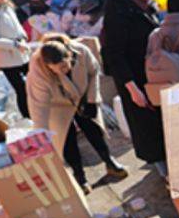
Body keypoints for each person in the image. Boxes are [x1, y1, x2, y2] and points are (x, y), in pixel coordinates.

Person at [27, 34, 128, 192]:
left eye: (64, 66)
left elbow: (94, 72)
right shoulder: (38, 69)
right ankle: (80, 177)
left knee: (93, 129)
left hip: (82, 95)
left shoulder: (81, 51)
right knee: (67, 139)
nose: (62, 71)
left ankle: (110, 162)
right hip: (57, 104)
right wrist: (41, 133)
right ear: (47, 66)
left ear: (69, 54)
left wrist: (92, 99)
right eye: (56, 70)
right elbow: (39, 105)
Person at [101, 0, 166, 169]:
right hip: (135, 80)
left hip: (151, 74)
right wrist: (132, 89)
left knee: (162, 124)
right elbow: (114, 55)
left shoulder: (141, 4)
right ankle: (163, 171)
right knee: (149, 129)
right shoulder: (118, 12)